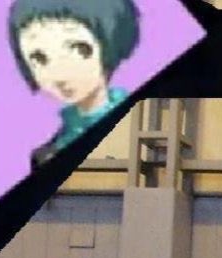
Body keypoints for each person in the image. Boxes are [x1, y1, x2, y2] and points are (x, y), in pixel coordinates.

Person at [8, 0, 140, 167]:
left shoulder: (142, 129)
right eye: (39, 59)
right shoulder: (46, 153)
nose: (59, 75)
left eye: (79, 50)